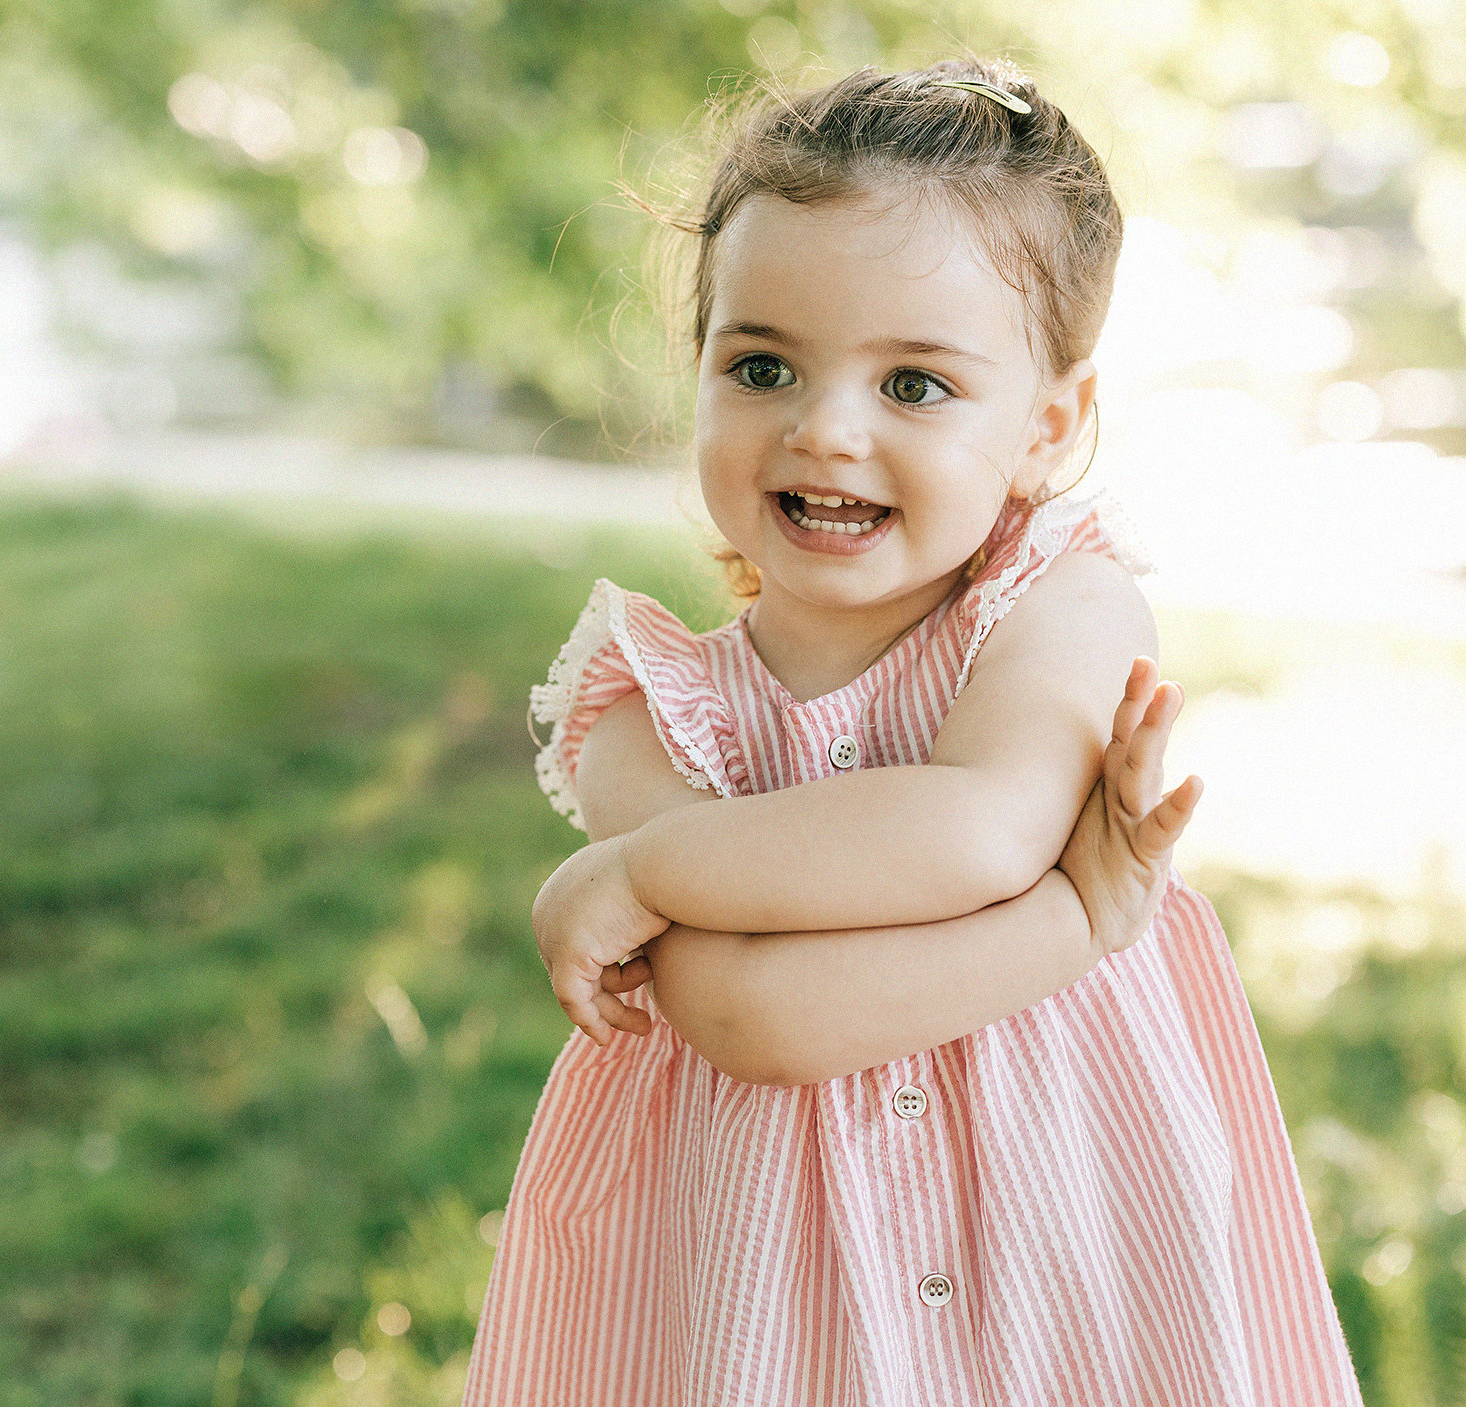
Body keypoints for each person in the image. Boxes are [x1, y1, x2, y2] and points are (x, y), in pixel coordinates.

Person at [462, 60, 1363, 1406]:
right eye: (761, 365)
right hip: (772, 1273)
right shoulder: (647, 715)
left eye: (917, 387)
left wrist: (654, 875)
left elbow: (977, 829)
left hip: (1061, 1235)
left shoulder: (1060, 608)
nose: (826, 432)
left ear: (1048, 428)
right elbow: (752, 1014)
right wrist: (1074, 917)